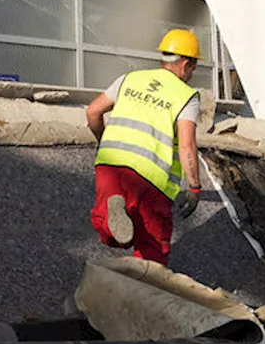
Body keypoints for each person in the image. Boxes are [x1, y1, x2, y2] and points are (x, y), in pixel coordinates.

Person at [86, 29, 205, 266]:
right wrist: (194, 187)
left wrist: (105, 142)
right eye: (193, 67)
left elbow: (93, 111)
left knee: (110, 231)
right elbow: (187, 145)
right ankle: (146, 293)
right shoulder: (186, 95)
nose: (192, 74)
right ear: (185, 63)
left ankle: (114, 213)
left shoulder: (129, 78)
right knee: (152, 250)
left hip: (110, 165)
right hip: (150, 179)